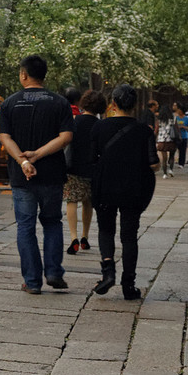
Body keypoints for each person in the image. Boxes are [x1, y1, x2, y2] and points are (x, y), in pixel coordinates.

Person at [0, 55, 75, 294]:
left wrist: (22, 161)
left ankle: (32, 281)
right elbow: (66, 137)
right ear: (44, 75)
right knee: (52, 222)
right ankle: (53, 272)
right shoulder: (59, 103)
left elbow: (4, 137)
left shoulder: (10, 103)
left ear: (23, 74)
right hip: (52, 174)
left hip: (22, 178)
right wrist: (38, 155)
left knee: (25, 226)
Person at [92, 84, 160, 299]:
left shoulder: (99, 128)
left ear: (113, 104)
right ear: (135, 105)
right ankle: (128, 285)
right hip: (134, 188)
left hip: (105, 187)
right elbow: (154, 164)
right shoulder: (144, 131)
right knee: (129, 236)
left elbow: (92, 159)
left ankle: (108, 271)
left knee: (106, 230)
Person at [65, 89, 103, 256]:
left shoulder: (74, 121)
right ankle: (85, 237)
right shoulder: (100, 125)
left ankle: (73, 237)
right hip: (93, 169)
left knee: (71, 201)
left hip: (73, 168)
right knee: (88, 203)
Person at [155, 109, 177, 176]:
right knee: (172, 156)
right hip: (171, 140)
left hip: (162, 141)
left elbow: (156, 131)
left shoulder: (159, 121)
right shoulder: (173, 120)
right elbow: (176, 129)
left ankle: (164, 174)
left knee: (164, 158)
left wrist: (155, 139)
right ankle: (171, 170)